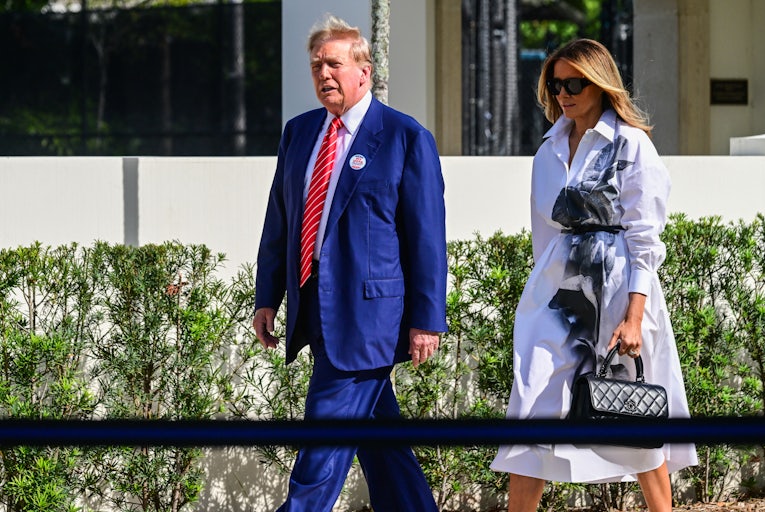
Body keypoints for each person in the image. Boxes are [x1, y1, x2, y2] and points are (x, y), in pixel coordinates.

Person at [490, 39, 698, 512]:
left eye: (574, 83)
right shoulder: (548, 149)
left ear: (600, 83)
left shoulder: (631, 143)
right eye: (555, 83)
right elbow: (543, 232)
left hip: (618, 289)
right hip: (559, 296)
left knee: (631, 411)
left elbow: (646, 234)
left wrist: (634, 314)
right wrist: (538, 300)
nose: (564, 93)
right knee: (531, 405)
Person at [252, 14, 446, 512]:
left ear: (364, 70)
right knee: (383, 445)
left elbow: (426, 237)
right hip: (314, 308)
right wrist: (267, 297)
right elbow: (281, 221)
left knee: (324, 444)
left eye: (334, 64)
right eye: (316, 65)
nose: (324, 75)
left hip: (370, 318)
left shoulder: (404, 136)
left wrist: (427, 319)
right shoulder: (299, 134)